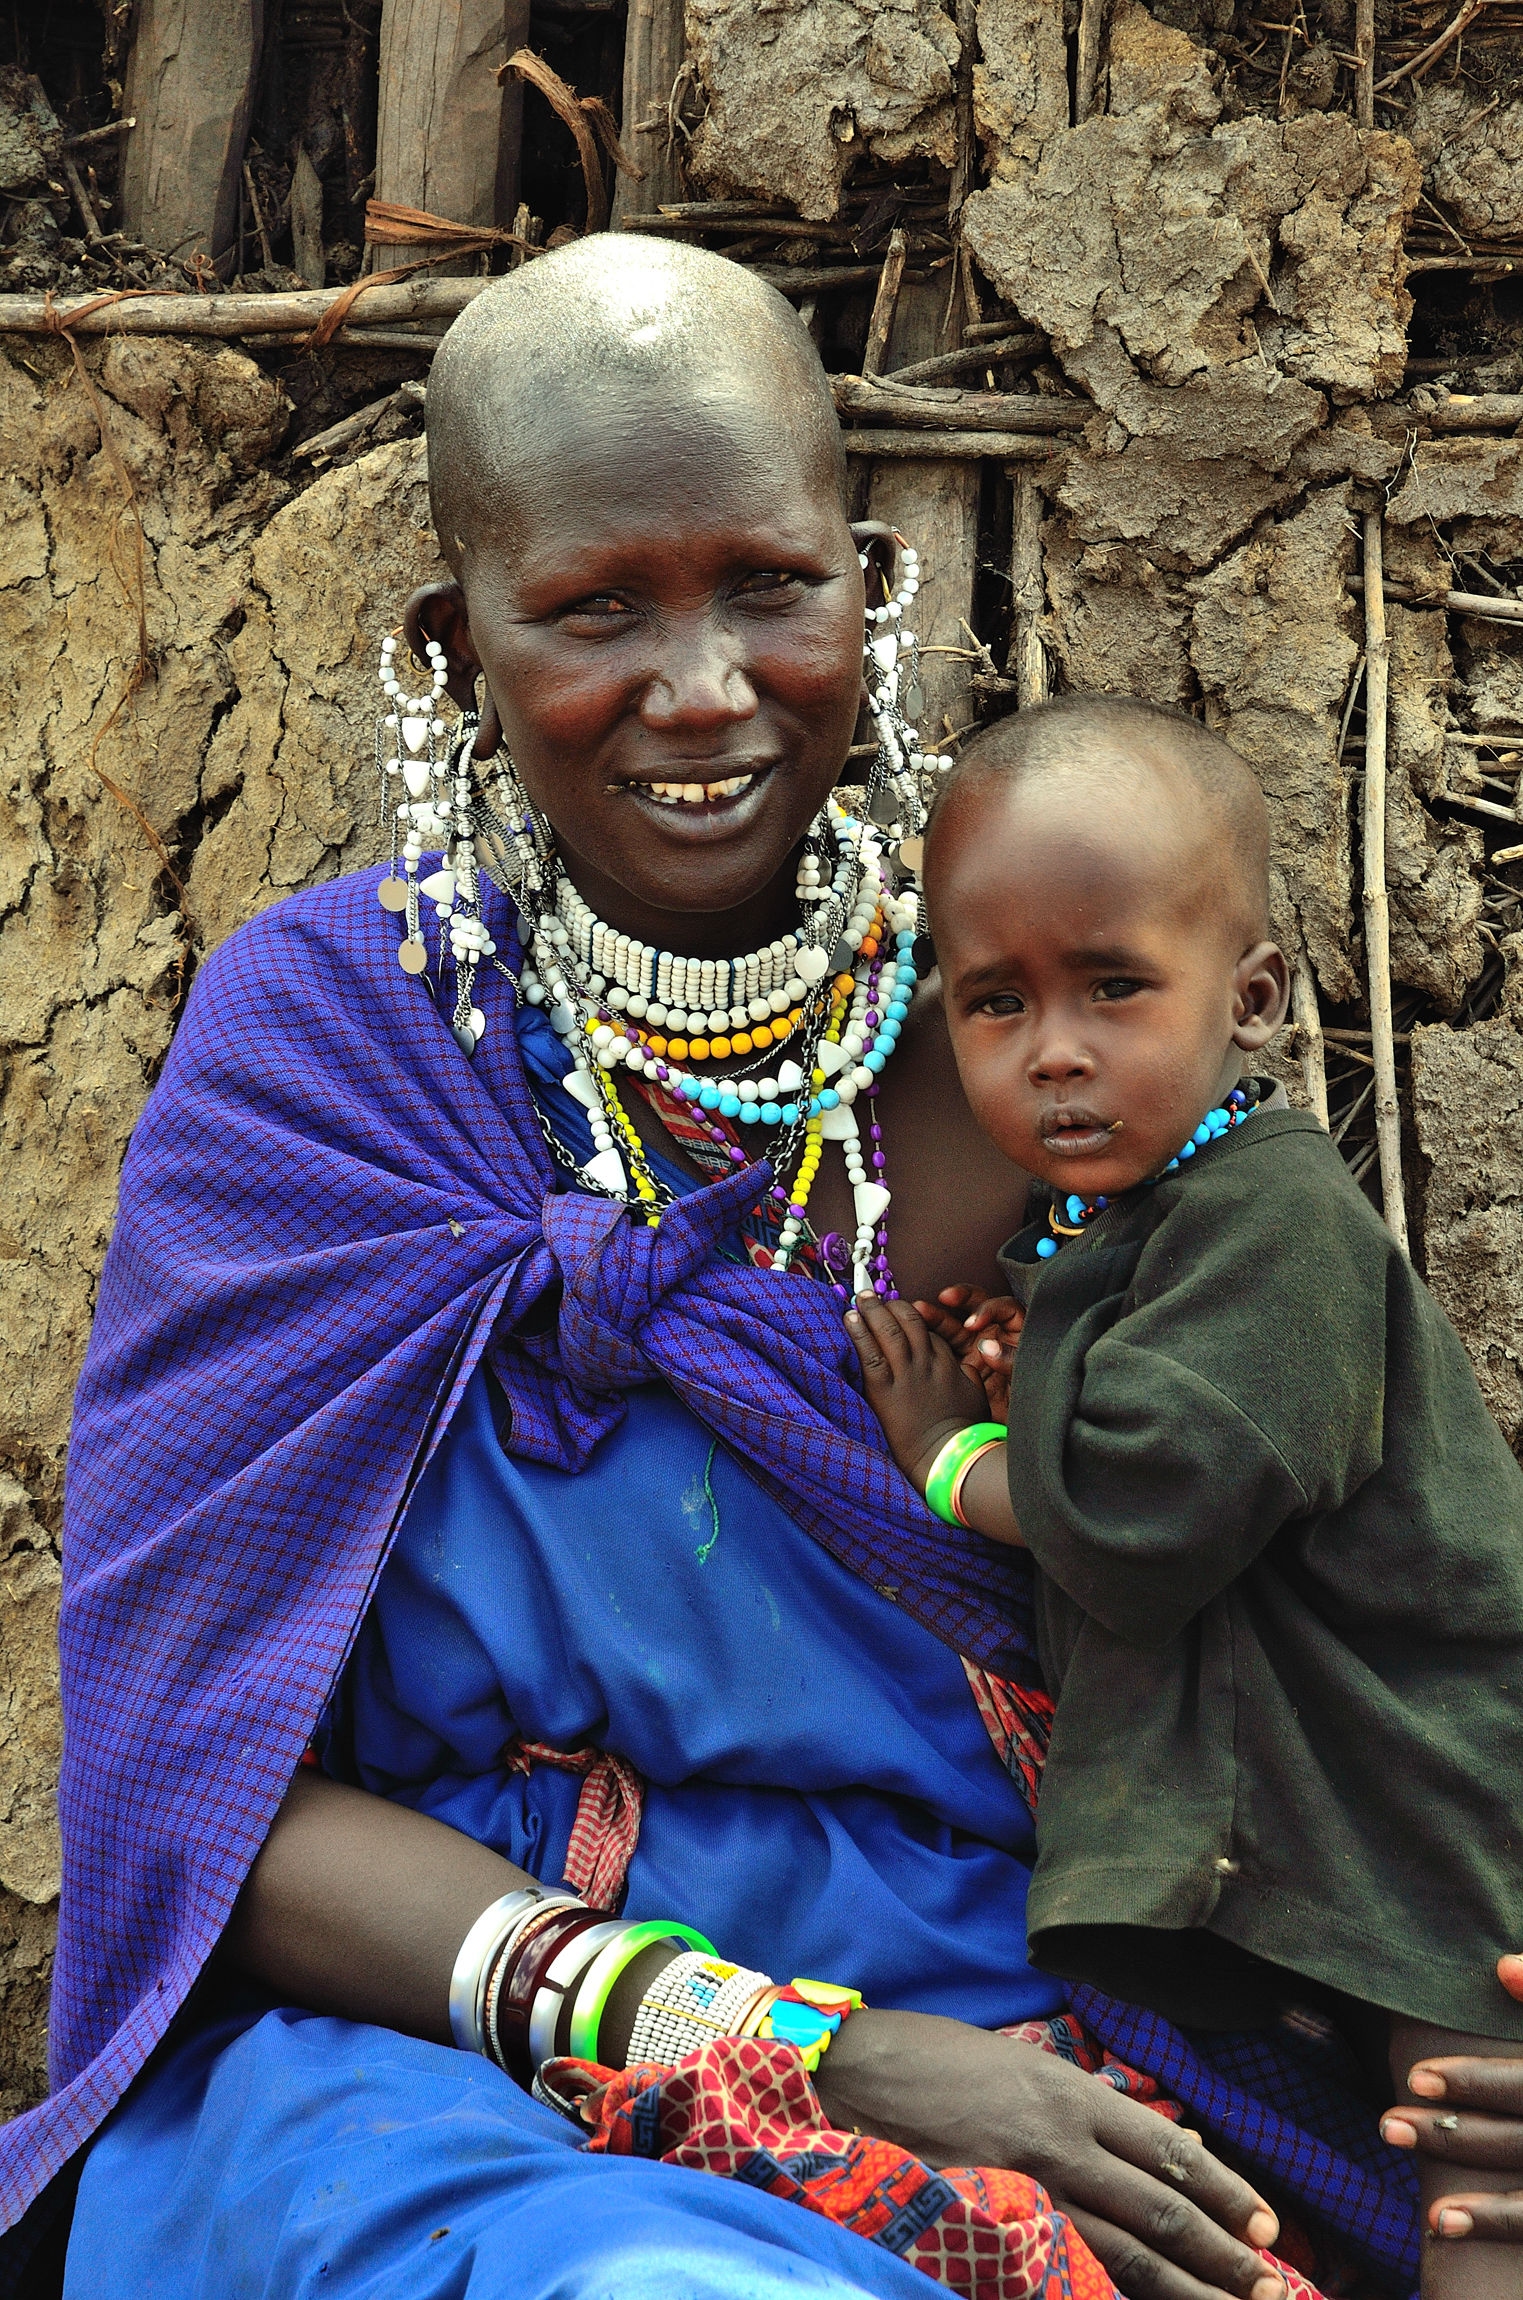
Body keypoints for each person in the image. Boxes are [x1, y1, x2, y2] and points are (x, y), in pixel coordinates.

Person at [3, 236, 1522, 2300]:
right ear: (457, 645)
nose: (704, 686)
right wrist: (802, 2052)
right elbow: (206, 1783)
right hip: (467, 2065)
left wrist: (1466, 2034)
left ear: (869, 588)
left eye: (770, 587)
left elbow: (1374, 1612)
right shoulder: (335, 1057)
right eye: (595, 609)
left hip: (1074, 2061)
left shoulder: (1058, 1057)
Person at [847, 697, 1523, 2300]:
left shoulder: (1273, 1222)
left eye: (1114, 986)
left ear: (1254, 999)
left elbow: (1141, 1518)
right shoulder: (1147, 1222)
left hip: (1449, 1795)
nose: (1055, 1050)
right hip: (1364, 1792)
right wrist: (1040, 1358)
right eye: (996, 1002)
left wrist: (950, 1452)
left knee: (1481, 2173)